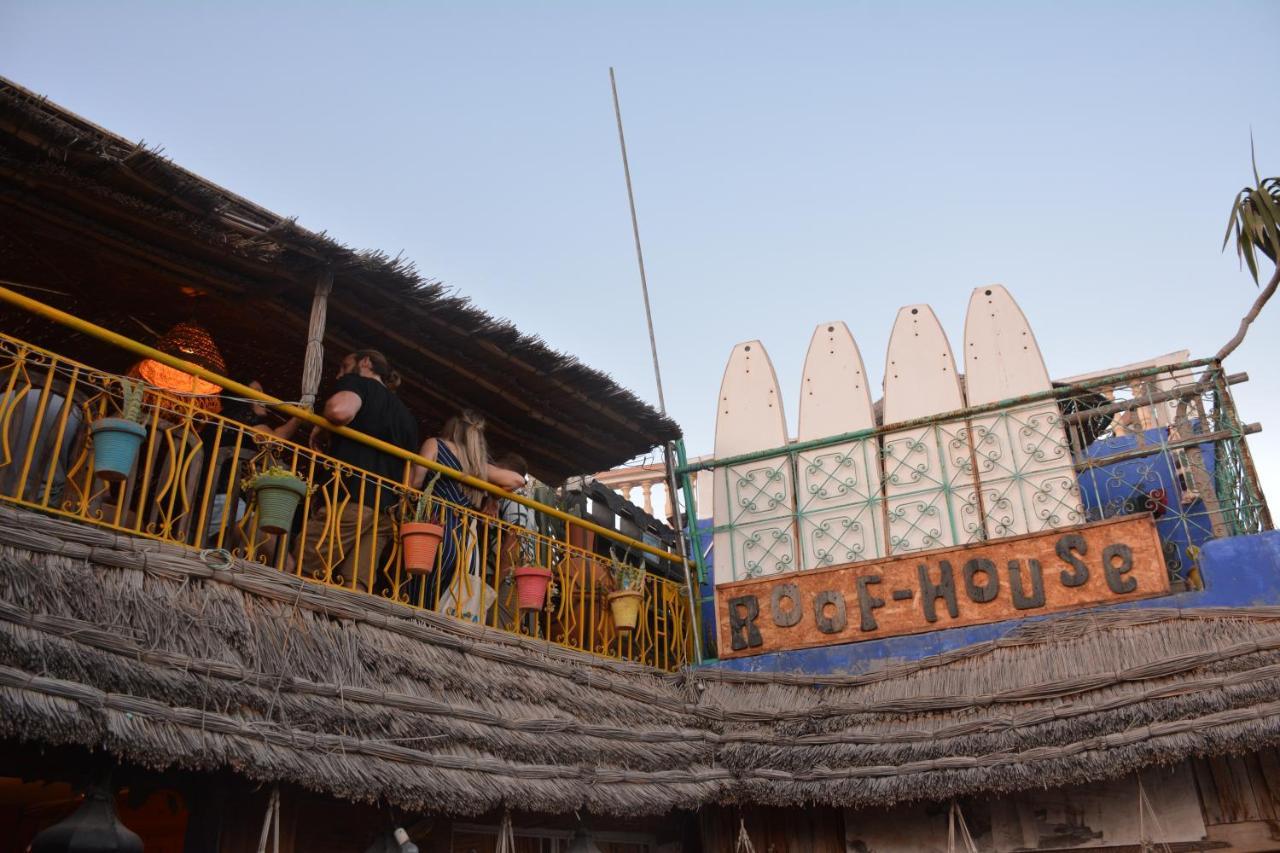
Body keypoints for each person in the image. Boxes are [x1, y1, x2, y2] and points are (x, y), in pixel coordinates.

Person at [304, 350, 418, 591]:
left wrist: (322, 425)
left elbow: (339, 411)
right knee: (356, 586)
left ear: (365, 362)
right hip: (385, 512)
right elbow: (411, 478)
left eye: (344, 366)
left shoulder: (358, 383)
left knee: (304, 567)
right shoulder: (407, 416)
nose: (339, 374)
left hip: (349, 499)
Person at [411, 410, 525, 606]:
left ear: (452, 428)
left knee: (421, 595)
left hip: (434, 530)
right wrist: (493, 497)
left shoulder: (436, 445)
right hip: (466, 541)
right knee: (452, 602)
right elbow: (518, 480)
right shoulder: (478, 465)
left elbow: (414, 482)